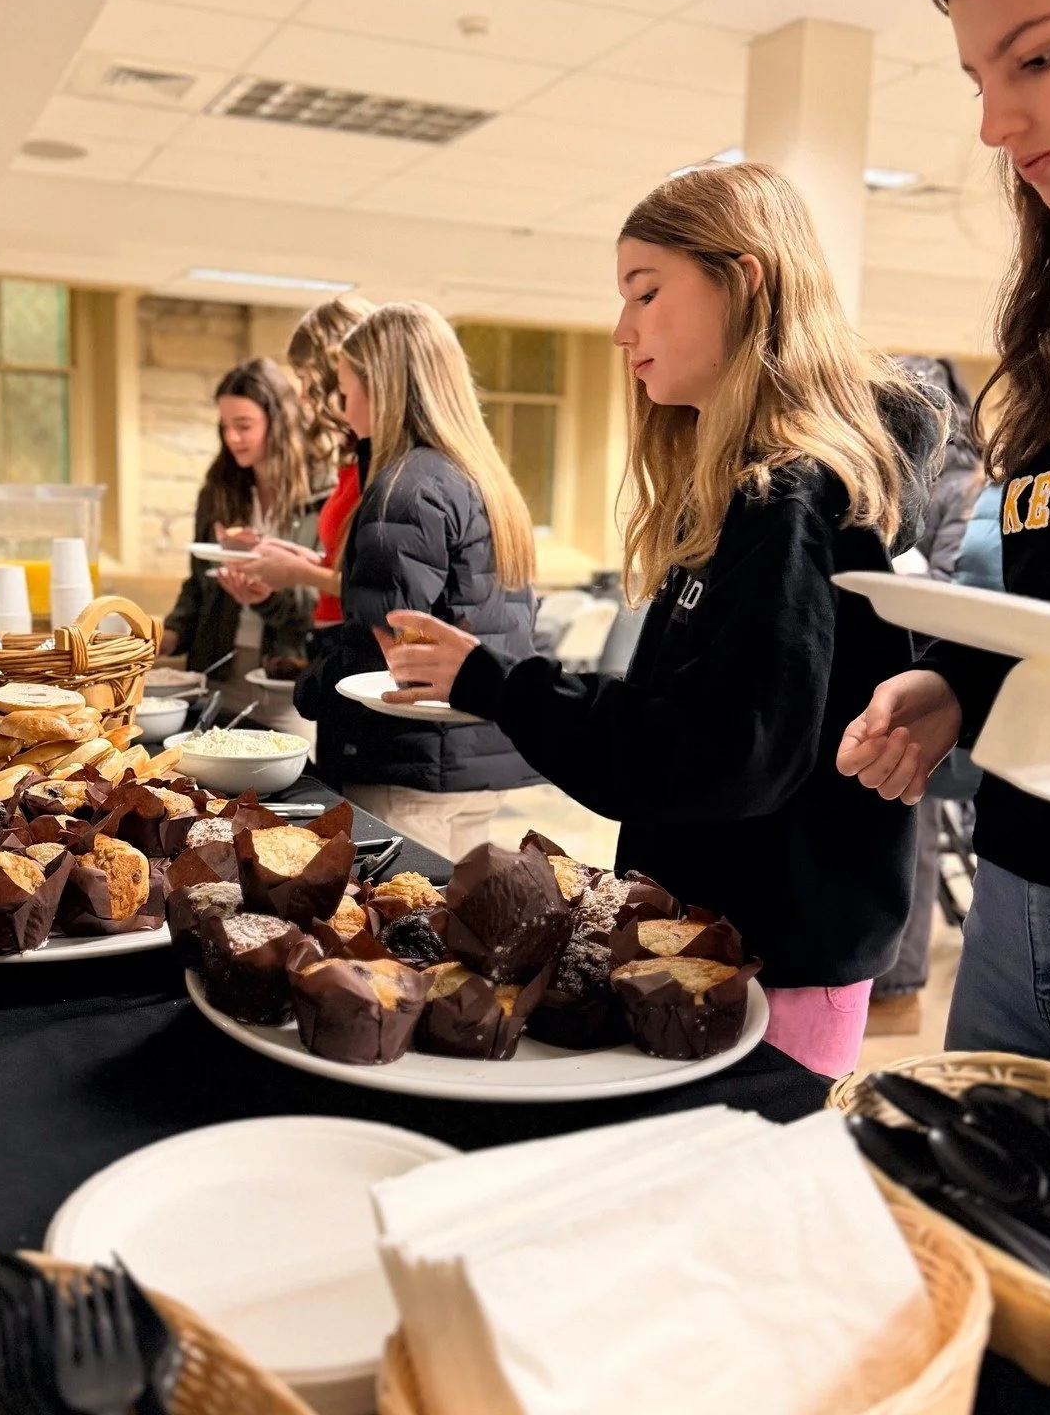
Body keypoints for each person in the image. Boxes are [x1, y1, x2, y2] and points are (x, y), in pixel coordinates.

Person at [380, 163, 943, 1079]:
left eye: (647, 292)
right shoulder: (742, 493)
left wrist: (495, 682)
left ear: (745, 281)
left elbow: (719, 753)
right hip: (713, 940)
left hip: (775, 962)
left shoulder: (792, 498)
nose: (621, 330)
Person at [839, 0, 1050, 1068]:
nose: (995, 124)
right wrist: (958, 682)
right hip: (1019, 893)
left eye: (1037, 59)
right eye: (979, 79)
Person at [293, 301, 542, 860]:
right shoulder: (477, 476)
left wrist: (308, 684)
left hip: (406, 765)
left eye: (347, 388)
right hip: (476, 757)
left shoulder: (405, 487)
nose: (343, 404)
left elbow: (381, 646)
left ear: (381, 389)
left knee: (397, 935)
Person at [867, 356, 986, 1037]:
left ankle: (898, 988)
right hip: (907, 674)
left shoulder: (964, 486)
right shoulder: (907, 477)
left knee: (910, 834)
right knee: (903, 829)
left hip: (934, 682)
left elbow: (953, 590)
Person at [160, 359, 319, 697]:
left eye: (244, 425)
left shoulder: (320, 495)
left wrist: (267, 597)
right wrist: (170, 633)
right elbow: (199, 583)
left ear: (278, 422)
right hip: (216, 670)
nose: (232, 437)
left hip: (287, 678)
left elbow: (322, 600)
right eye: (225, 425)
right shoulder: (218, 489)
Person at [234, 297, 377, 632]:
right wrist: (296, 560)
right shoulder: (355, 454)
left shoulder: (387, 466)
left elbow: (387, 594)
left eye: (304, 377)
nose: (302, 395)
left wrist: (299, 573)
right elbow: (351, 570)